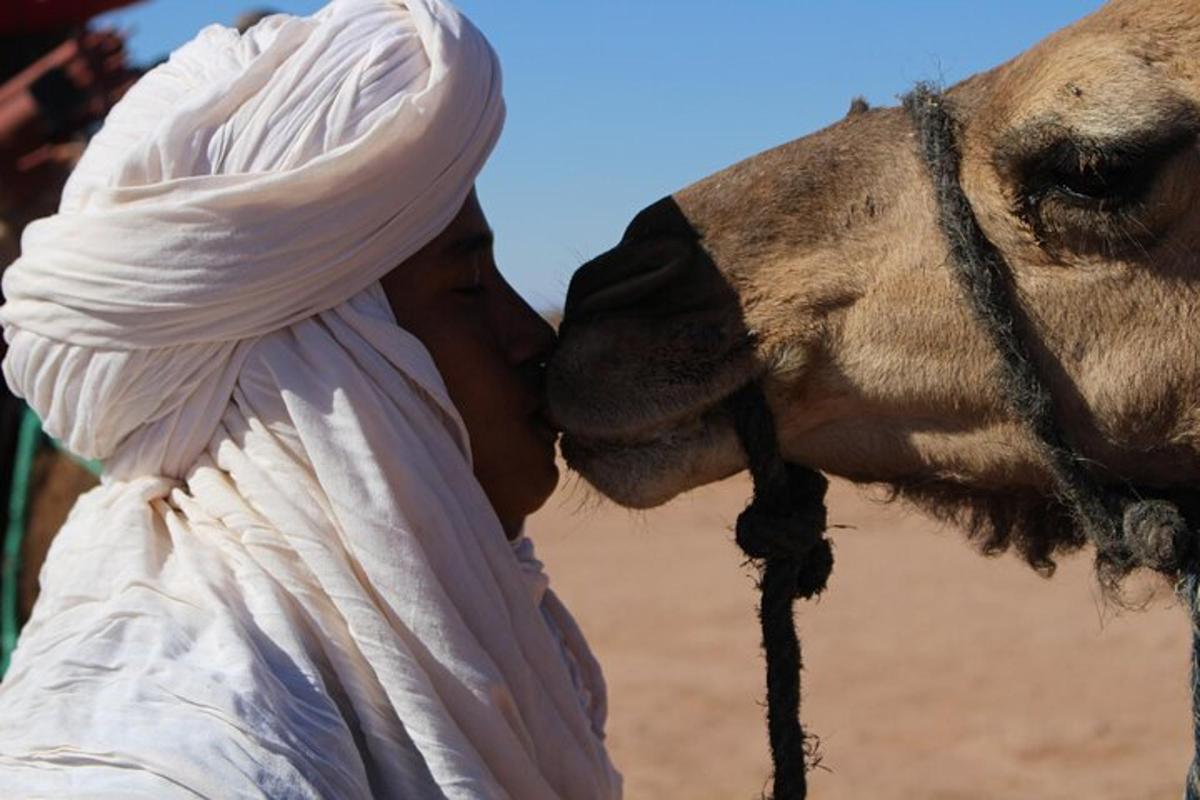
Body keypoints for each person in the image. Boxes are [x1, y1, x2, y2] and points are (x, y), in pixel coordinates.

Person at [0, 1, 622, 797]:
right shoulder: (179, 768)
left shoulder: (505, 640)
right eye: (468, 287)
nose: (530, 337)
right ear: (313, 353)